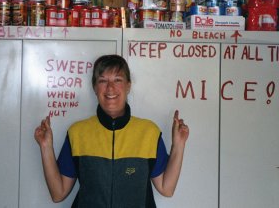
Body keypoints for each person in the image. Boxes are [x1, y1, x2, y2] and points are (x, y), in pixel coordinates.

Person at [34, 54, 189, 207]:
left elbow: (166, 188)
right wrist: (46, 146)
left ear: (128, 85)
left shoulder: (149, 133)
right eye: (102, 80)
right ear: (95, 87)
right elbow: (58, 193)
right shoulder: (77, 133)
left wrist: (179, 145)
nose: (110, 88)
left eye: (117, 80)